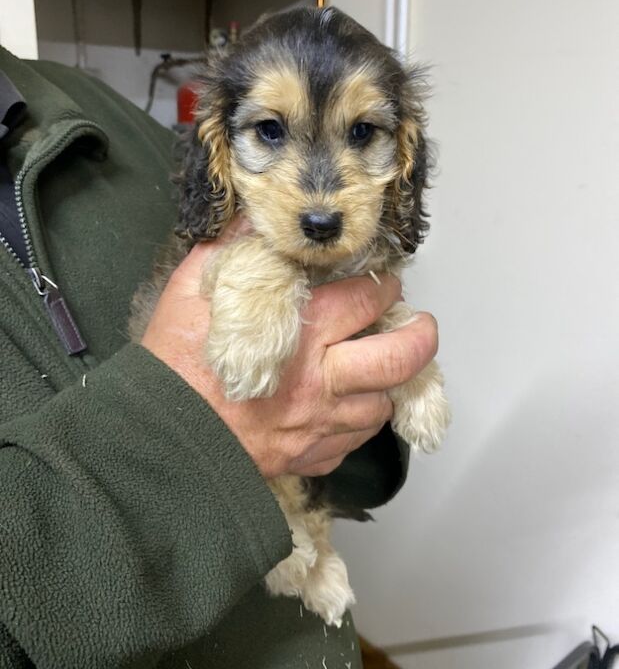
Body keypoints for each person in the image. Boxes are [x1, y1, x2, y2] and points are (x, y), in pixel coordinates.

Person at [0, 46, 439, 669]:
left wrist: (368, 379)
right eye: (270, 130)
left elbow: (345, 440)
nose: (318, 194)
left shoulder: (101, 114)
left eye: (362, 132)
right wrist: (198, 432)